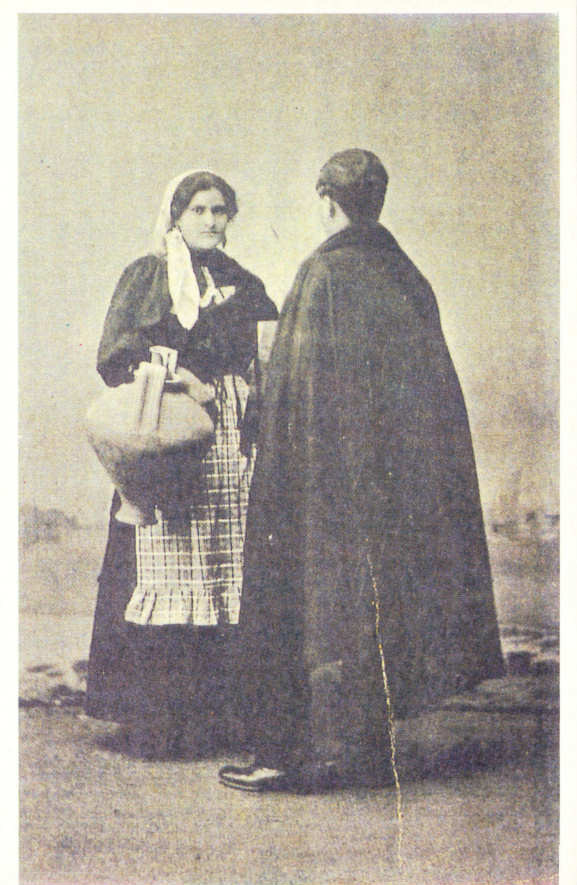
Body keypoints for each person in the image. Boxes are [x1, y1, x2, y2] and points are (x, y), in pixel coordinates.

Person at [218, 149, 504, 793]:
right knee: (372, 605)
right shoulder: (407, 274)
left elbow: (292, 388)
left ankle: (293, 756)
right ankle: (368, 749)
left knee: (307, 600)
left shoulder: (322, 273)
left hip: (326, 480)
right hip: (395, 487)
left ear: (327, 200)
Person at [85, 169, 278, 758]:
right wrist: (181, 377)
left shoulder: (242, 281)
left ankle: (219, 716)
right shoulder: (148, 277)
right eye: (199, 210)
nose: (212, 221)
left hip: (229, 440)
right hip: (168, 437)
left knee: (223, 565)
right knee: (163, 557)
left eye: (220, 211)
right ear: (175, 215)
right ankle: (158, 720)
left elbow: (265, 350)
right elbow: (115, 357)